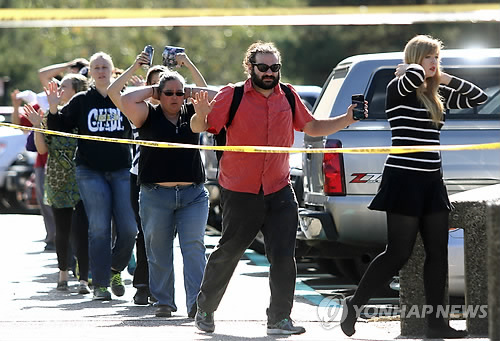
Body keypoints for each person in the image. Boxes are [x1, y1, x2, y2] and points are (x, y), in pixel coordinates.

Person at [189, 41, 367, 335]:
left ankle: (279, 319)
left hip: (279, 188)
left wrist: (348, 118)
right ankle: (205, 309)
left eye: (275, 67)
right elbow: (200, 127)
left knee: (284, 255)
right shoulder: (231, 96)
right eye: (263, 67)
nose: (270, 72)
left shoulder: (288, 95)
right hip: (241, 189)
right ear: (250, 68)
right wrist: (200, 113)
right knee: (230, 250)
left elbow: (312, 127)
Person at [340, 35, 488, 339]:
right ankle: (353, 306)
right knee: (398, 252)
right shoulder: (398, 88)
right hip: (404, 180)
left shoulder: (435, 96)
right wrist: (413, 68)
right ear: (413, 61)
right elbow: (411, 81)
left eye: (437, 58)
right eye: (428, 57)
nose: (434, 64)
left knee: (438, 253)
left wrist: (443, 77)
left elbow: (479, 98)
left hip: (432, 182)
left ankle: (437, 324)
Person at [116, 51, 216, 318]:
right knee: (158, 250)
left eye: (179, 93)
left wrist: (189, 85)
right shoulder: (146, 114)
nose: (174, 98)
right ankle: (163, 301)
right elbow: (125, 99)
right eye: (169, 93)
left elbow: (216, 96)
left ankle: (196, 303)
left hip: (192, 194)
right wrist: (155, 88)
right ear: (159, 95)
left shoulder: (193, 112)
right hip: (155, 194)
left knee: (194, 247)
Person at [46, 52, 138, 301]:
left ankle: (114, 269)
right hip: (89, 171)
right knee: (99, 227)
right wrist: (54, 107)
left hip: (120, 169)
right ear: (91, 73)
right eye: (95, 67)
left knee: (129, 228)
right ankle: (100, 284)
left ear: (112, 71)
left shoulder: (122, 97)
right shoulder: (81, 100)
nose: (100, 70)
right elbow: (59, 128)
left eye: (104, 66)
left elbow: (143, 121)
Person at [22, 74, 91, 294]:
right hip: (58, 179)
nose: (59, 91)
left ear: (77, 91)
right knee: (62, 230)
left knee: (82, 230)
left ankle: (83, 279)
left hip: (83, 178)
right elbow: (41, 150)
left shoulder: (84, 115)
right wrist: (37, 126)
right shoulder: (51, 116)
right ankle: (63, 275)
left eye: (64, 87)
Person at [10, 90, 56, 251]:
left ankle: (64, 239)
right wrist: (16, 106)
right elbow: (18, 125)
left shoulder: (66, 107)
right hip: (41, 163)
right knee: (45, 203)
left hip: (62, 165)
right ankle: (52, 237)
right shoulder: (38, 107)